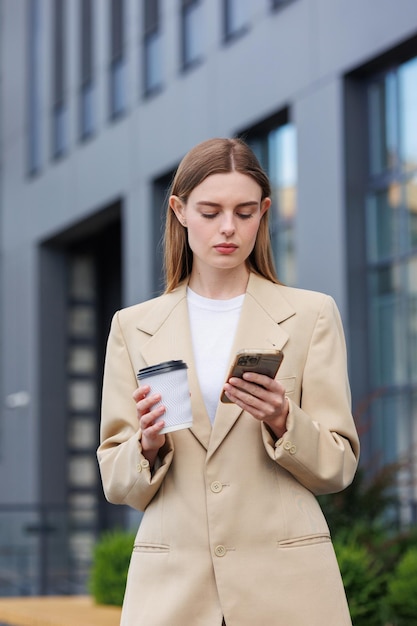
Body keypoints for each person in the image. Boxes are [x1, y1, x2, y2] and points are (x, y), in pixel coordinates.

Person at [97, 137, 360, 626]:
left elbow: (338, 467)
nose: (227, 228)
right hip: (172, 590)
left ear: (263, 213)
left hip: (288, 587)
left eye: (244, 212)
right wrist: (148, 445)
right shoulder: (133, 327)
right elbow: (116, 479)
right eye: (210, 210)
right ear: (179, 210)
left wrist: (284, 421)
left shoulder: (310, 315)